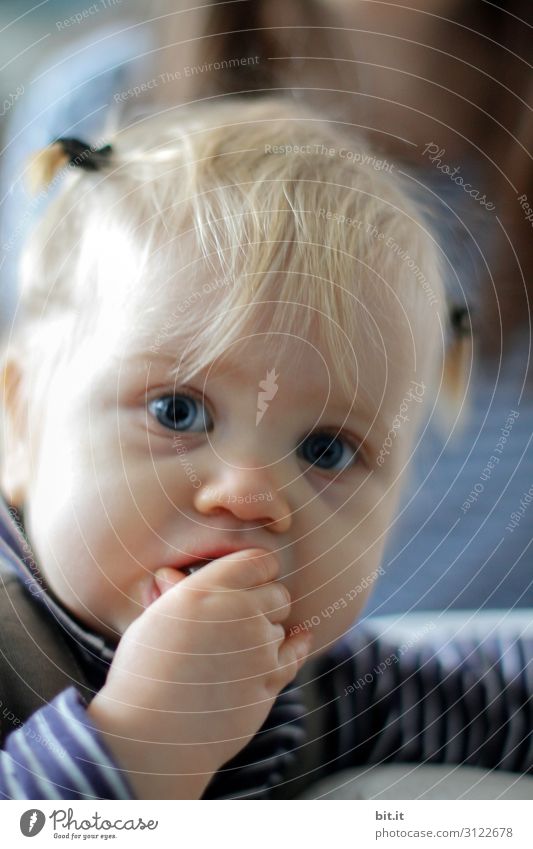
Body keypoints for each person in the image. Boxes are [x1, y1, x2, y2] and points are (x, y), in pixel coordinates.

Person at [0, 96, 531, 801]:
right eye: (177, 411)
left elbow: (488, 699)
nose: (250, 493)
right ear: (19, 420)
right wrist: (138, 741)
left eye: (327, 450)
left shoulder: (309, 692)